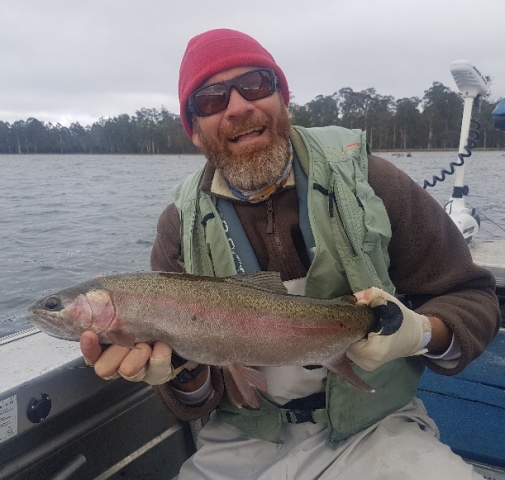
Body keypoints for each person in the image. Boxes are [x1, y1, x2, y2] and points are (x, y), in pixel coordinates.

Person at [80, 29, 501, 479]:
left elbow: (473, 296)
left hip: (377, 426)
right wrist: (183, 373)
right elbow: (195, 401)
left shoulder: (372, 182)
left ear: (284, 97)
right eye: (211, 99)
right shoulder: (178, 226)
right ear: (195, 132)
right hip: (243, 438)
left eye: (257, 84)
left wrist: (419, 333)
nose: (239, 105)